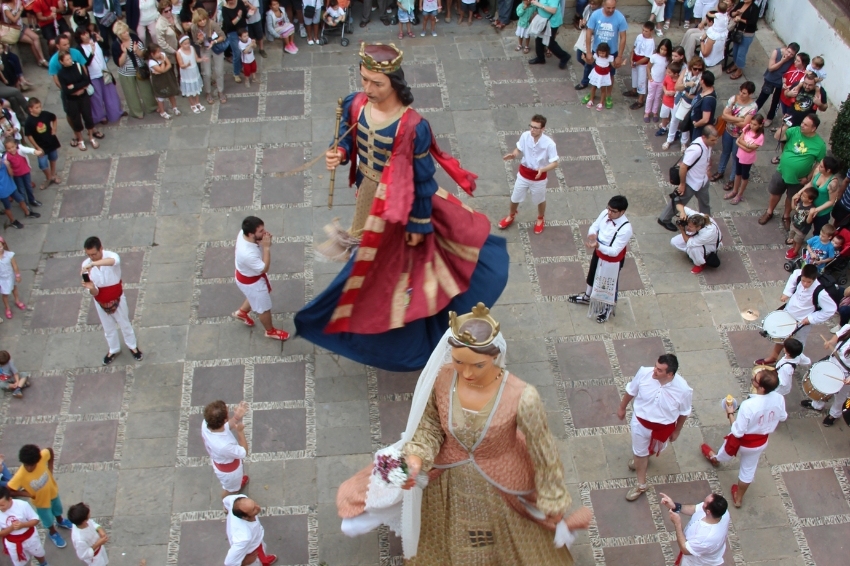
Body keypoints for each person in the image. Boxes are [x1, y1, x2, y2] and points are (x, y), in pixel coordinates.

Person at [297, 43, 509, 372]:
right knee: (368, 263)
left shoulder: (413, 126)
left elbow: (423, 179)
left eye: (376, 83)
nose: (367, 88)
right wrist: (338, 153)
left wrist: (417, 226)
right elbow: (346, 138)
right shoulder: (355, 105)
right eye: (364, 80)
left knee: (397, 272)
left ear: (394, 82)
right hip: (368, 196)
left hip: (402, 205)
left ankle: (404, 331)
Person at [336, 304, 593, 561]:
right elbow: (430, 425)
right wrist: (415, 460)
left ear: (495, 357)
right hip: (447, 476)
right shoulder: (443, 378)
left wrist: (553, 501)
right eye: (459, 362)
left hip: (503, 481)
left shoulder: (523, 397)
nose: (467, 373)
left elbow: (545, 454)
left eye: (477, 365)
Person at [703, 368, 787, 507]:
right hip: (760, 442)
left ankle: (715, 459)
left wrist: (730, 413)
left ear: (760, 387)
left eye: (755, 379)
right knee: (748, 469)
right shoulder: (779, 398)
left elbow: (737, 432)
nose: (753, 378)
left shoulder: (749, 405)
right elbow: (783, 416)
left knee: (725, 452)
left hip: (742, 442)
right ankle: (739, 498)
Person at [617, 354, 693, 501]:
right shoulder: (644, 373)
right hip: (640, 423)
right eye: (655, 366)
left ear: (670, 374)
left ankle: (642, 459)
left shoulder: (683, 390)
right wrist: (622, 407)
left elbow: (684, 412)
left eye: (659, 370)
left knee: (651, 450)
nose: (654, 371)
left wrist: (677, 430)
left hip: (663, 428)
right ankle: (641, 484)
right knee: (639, 452)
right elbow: (631, 390)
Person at [754, 263, 837, 366]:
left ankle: (792, 363)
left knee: (797, 344)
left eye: (809, 282)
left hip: (802, 322)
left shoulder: (820, 293)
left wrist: (810, 319)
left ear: (814, 279)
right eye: (803, 281)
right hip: (789, 312)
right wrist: (787, 293)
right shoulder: (798, 274)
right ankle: (773, 357)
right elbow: (793, 278)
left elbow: (830, 309)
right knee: (781, 336)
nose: (805, 284)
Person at [567, 195, 632, 322]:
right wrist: (592, 234)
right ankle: (587, 296)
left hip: (612, 261)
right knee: (592, 274)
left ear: (622, 212)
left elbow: (614, 251)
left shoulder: (626, 229)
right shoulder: (605, 213)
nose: (609, 213)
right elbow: (595, 226)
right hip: (599, 252)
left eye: (613, 211)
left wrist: (598, 245)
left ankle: (607, 307)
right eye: (609, 209)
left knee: (608, 284)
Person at [81, 236, 143, 365]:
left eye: (94, 254)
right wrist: (91, 288)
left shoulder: (111, 256)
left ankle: (132, 346)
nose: (91, 257)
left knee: (124, 323)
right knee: (108, 327)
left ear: (101, 249)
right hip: (100, 300)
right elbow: (94, 291)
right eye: (89, 255)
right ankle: (113, 349)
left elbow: (112, 261)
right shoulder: (85, 265)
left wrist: (93, 264)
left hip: (117, 298)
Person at [758, 115, 826, 228]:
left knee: (791, 197)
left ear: (813, 128)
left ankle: (786, 216)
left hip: (799, 178)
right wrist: (784, 126)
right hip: (782, 171)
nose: (802, 126)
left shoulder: (820, 145)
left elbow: (819, 164)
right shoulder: (795, 130)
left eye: (805, 125)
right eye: (802, 122)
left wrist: (809, 177)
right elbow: (777, 136)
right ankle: (769, 212)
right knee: (775, 192)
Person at [497, 114, 559, 235]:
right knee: (515, 197)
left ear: (542, 129)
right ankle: (511, 215)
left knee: (540, 199)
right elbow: (518, 149)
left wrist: (543, 169)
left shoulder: (549, 144)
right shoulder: (525, 136)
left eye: (536, 128)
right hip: (524, 173)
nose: (532, 130)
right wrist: (514, 154)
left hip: (538, 177)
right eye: (531, 126)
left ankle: (540, 218)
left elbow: (555, 163)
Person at [233, 216, 290, 341]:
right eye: (261, 231)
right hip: (253, 283)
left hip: (245, 277)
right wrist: (266, 247)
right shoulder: (248, 254)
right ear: (251, 234)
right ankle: (270, 331)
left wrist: (261, 240)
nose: (264, 233)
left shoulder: (243, 234)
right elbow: (264, 268)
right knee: (263, 308)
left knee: (253, 297)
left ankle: (242, 312)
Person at [7, 444, 74, 548]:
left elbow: (50, 451)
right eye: (26, 465)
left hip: (52, 492)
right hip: (41, 502)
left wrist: (50, 469)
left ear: (37, 461)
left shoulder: (42, 456)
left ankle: (60, 521)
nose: (29, 468)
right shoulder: (20, 476)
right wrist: (26, 494)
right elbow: (9, 490)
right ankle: (53, 532)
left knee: (58, 509)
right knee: (47, 519)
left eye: (32, 465)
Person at [658, 125, 719, 231]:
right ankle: (664, 219)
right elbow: (683, 166)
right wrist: (682, 184)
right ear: (704, 137)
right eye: (713, 140)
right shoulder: (695, 149)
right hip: (691, 181)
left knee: (705, 203)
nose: (715, 142)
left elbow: (706, 159)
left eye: (716, 139)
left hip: (702, 180)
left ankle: (707, 222)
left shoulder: (707, 145)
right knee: (679, 201)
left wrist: (707, 170)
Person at [659, 492, 730, 565]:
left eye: (704, 503)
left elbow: (685, 549)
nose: (702, 503)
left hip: (696, 562)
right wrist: (675, 506)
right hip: (696, 548)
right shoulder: (722, 512)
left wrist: (677, 524)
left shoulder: (706, 537)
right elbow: (695, 509)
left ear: (708, 512)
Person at [711, 81, 757, 190]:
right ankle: (720, 171)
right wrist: (739, 119)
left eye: (745, 93)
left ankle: (732, 179)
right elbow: (724, 115)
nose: (741, 94)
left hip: (739, 136)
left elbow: (745, 124)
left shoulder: (753, 107)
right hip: (728, 131)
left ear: (750, 94)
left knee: (736, 157)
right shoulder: (733, 99)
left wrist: (731, 118)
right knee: (725, 152)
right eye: (741, 91)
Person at [580, 0, 626, 107]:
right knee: (594, 72)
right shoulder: (595, 15)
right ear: (603, 5)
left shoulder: (620, 17)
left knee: (611, 74)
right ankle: (592, 93)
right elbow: (588, 33)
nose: (611, 10)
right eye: (608, 8)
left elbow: (623, 37)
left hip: (612, 51)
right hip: (597, 50)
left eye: (613, 8)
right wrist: (588, 52)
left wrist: (619, 56)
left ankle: (608, 95)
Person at [74, 27, 124, 124]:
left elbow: (105, 48)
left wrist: (102, 40)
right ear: (79, 37)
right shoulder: (79, 48)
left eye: (86, 33)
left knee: (110, 93)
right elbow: (86, 63)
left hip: (104, 71)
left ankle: (115, 113)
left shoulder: (95, 40)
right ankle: (100, 117)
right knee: (96, 98)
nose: (86, 36)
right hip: (92, 75)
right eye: (83, 34)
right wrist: (92, 52)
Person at [804, 323, 850, 426]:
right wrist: (830, 342)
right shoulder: (848, 328)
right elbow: (837, 337)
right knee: (823, 387)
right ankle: (817, 405)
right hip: (832, 363)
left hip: (846, 373)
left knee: (840, 396)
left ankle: (834, 414)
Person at [111, 20, 159, 119]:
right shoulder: (116, 45)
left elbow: (143, 55)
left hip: (140, 68)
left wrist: (136, 50)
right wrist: (124, 53)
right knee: (131, 94)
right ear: (119, 34)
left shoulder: (134, 38)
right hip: (126, 72)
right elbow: (119, 63)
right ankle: (137, 112)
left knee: (146, 90)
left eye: (127, 31)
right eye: (124, 32)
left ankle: (152, 107)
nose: (127, 33)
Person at [55, 50, 101, 151]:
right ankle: (80, 139)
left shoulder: (78, 66)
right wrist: (77, 88)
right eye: (66, 59)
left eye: (70, 58)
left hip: (83, 96)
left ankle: (91, 137)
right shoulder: (61, 73)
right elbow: (66, 90)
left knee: (88, 116)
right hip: (71, 100)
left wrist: (75, 87)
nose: (69, 61)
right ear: (61, 62)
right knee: (76, 119)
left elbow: (86, 81)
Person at [202, 400, 250, 497]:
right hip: (230, 472)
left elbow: (225, 426)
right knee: (231, 490)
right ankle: (226, 503)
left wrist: (236, 417)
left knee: (234, 485)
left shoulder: (206, 424)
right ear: (224, 420)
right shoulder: (224, 446)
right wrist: (240, 432)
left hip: (222, 461)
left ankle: (237, 483)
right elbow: (244, 452)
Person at [662, 55, 705, 150]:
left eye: (699, 69)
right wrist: (686, 84)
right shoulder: (685, 71)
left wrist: (685, 92)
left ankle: (684, 142)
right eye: (695, 68)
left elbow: (699, 94)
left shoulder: (702, 77)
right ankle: (669, 139)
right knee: (674, 120)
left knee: (685, 122)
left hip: (690, 102)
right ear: (691, 67)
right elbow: (677, 87)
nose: (697, 71)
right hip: (679, 99)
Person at [0, 486, 48, 566]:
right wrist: (11, 528)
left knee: (38, 552)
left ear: (10, 499)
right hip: (13, 542)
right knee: (19, 562)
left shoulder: (22, 505)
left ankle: (43, 563)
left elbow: (35, 520)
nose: (0, 508)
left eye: (2, 505)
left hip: (30, 537)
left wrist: (23, 525)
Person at [754, 42, 799, 128]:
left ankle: (770, 118)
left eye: (792, 54)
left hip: (781, 83)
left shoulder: (793, 60)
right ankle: (752, 112)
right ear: (786, 48)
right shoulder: (777, 52)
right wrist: (783, 61)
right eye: (788, 51)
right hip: (771, 79)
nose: (789, 55)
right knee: (762, 97)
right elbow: (771, 68)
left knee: (776, 101)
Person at [224, 495, 277, 566]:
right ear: (245, 517)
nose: (258, 507)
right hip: (251, 553)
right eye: (253, 509)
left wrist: (226, 508)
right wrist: (245, 562)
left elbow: (226, 500)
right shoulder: (244, 538)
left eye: (255, 503)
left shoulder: (238, 500)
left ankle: (263, 559)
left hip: (256, 542)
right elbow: (229, 563)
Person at [725, 113, 764, 205]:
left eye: (755, 124)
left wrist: (742, 144)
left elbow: (749, 149)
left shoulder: (760, 137)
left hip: (747, 159)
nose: (752, 126)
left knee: (744, 176)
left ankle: (739, 194)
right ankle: (734, 190)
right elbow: (740, 140)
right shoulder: (747, 128)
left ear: (760, 125)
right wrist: (745, 144)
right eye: (751, 123)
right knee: (737, 174)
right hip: (739, 155)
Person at [670, 205, 720, 274]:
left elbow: (689, 242)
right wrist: (682, 212)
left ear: (698, 227)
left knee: (694, 249)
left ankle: (700, 264)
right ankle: (692, 254)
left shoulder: (708, 232)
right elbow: (679, 205)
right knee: (674, 241)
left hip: (710, 244)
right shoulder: (697, 217)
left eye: (690, 227)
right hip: (697, 235)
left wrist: (682, 230)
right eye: (688, 225)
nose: (687, 227)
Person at [24, 99, 61, 190]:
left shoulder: (45, 114)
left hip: (51, 142)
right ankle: (48, 177)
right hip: (41, 145)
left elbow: (54, 118)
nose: (39, 109)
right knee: (42, 164)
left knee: (53, 158)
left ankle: (53, 174)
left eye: (40, 106)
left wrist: (54, 129)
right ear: (30, 109)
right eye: (36, 107)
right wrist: (37, 147)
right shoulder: (29, 121)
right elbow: (29, 136)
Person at [192, 9, 227, 105]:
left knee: (219, 70)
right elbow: (196, 42)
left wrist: (214, 41)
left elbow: (222, 36)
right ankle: (208, 92)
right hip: (204, 49)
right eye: (200, 20)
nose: (202, 22)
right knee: (206, 73)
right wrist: (200, 40)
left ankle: (220, 91)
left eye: (204, 19)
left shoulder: (212, 23)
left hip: (216, 47)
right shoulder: (194, 28)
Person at [0, 0, 48, 67]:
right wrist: (20, 11)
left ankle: (42, 59)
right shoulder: (5, 7)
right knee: (31, 41)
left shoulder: (18, 1)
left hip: (21, 25)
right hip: (13, 29)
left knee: (36, 37)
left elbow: (28, 5)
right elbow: (13, 20)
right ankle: (40, 60)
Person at [623, 21, 655, 111]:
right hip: (635, 60)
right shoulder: (639, 36)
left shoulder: (651, 43)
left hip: (642, 64)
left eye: (646, 31)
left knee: (641, 81)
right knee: (634, 77)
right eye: (643, 30)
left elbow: (647, 57)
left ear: (651, 31)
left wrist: (637, 63)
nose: (644, 32)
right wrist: (631, 59)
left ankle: (640, 100)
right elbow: (634, 48)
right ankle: (634, 91)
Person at [3, 138, 41, 213]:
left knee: (29, 187)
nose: (11, 149)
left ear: (16, 145)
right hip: (17, 175)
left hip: (26, 172)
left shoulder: (20, 149)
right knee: (21, 190)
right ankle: (25, 204)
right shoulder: (6, 157)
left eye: (13, 147)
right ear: (6, 149)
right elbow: (4, 164)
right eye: (9, 148)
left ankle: (32, 200)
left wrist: (34, 151)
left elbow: (27, 149)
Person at [0, 150, 36, 228]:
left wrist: (8, 165)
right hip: (2, 192)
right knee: (7, 207)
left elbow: (11, 174)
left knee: (21, 199)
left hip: (11, 187)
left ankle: (27, 213)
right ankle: (12, 221)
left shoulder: (3, 164)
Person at [725, 0, 759, 80]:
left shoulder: (754, 8)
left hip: (747, 33)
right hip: (738, 31)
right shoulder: (741, 4)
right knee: (736, 50)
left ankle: (739, 70)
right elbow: (731, 13)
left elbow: (753, 22)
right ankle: (735, 65)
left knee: (741, 53)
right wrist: (736, 13)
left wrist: (740, 19)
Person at [220, 0, 251, 83]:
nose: (232, 2)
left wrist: (249, 10)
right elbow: (229, 24)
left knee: (244, 50)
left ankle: (243, 67)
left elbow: (245, 15)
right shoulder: (225, 9)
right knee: (236, 52)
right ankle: (236, 73)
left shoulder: (240, 2)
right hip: (232, 32)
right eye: (230, 1)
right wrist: (238, 17)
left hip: (243, 30)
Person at [582, 42, 615, 112]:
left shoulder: (610, 58)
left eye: (603, 53)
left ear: (607, 52)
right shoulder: (596, 56)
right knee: (593, 87)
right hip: (596, 74)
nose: (601, 55)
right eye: (600, 53)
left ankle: (601, 103)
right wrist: (584, 59)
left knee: (603, 90)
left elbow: (614, 65)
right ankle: (591, 100)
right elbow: (590, 62)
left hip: (604, 76)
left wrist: (621, 64)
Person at [786, 186, 818, 260]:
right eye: (802, 195)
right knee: (793, 239)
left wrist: (810, 214)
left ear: (810, 200)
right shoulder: (800, 202)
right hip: (794, 224)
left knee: (798, 241)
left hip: (801, 229)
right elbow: (794, 208)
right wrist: (793, 200)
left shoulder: (811, 209)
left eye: (804, 196)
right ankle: (793, 248)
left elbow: (808, 221)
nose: (801, 196)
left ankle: (795, 252)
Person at [644, 38, 671, 122]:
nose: (663, 51)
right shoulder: (654, 57)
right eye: (661, 49)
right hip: (653, 80)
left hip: (662, 82)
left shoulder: (668, 59)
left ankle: (655, 112)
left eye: (665, 50)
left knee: (658, 97)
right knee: (650, 96)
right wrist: (650, 77)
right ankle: (647, 112)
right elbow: (648, 67)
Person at [176, 35, 204, 113]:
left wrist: (202, 59)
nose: (187, 45)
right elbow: (181, 65)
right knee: (189, 89)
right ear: (180, 44)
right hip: (186, 73)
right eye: (185, 44)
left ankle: (197, 102)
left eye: (188, 43)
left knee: (196, 88)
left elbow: (196, 59)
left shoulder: (192, 48)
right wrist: (186, 65)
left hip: (194, 71)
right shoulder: (179, 52)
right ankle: (192, 104)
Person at [655, 60, 681, 136]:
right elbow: (664, 85)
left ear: (676, 74)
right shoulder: (667, 77)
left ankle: (676, 130)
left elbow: (681, 90)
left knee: (675, 118)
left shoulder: (680, 81)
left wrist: (674, 92)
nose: (667, 73)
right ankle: (663, 127)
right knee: (664, 115)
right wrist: (665, 91)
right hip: (666, 101)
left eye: (669, 72)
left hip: (674, 103)